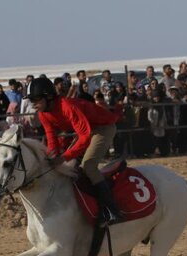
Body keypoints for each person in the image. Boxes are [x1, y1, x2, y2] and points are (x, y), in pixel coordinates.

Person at [26, 77, 124, 225]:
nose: (33, 104)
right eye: (31, 100)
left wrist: (63, 157)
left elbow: (84, 137)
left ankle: (112, 210)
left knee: (88, 166)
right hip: (87, 131)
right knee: (69, 168)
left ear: (49, 97)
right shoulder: (43, 113)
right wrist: (52, 156)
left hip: (103, 128)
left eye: (36, 99)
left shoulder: (67, 107)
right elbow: (51, 137)